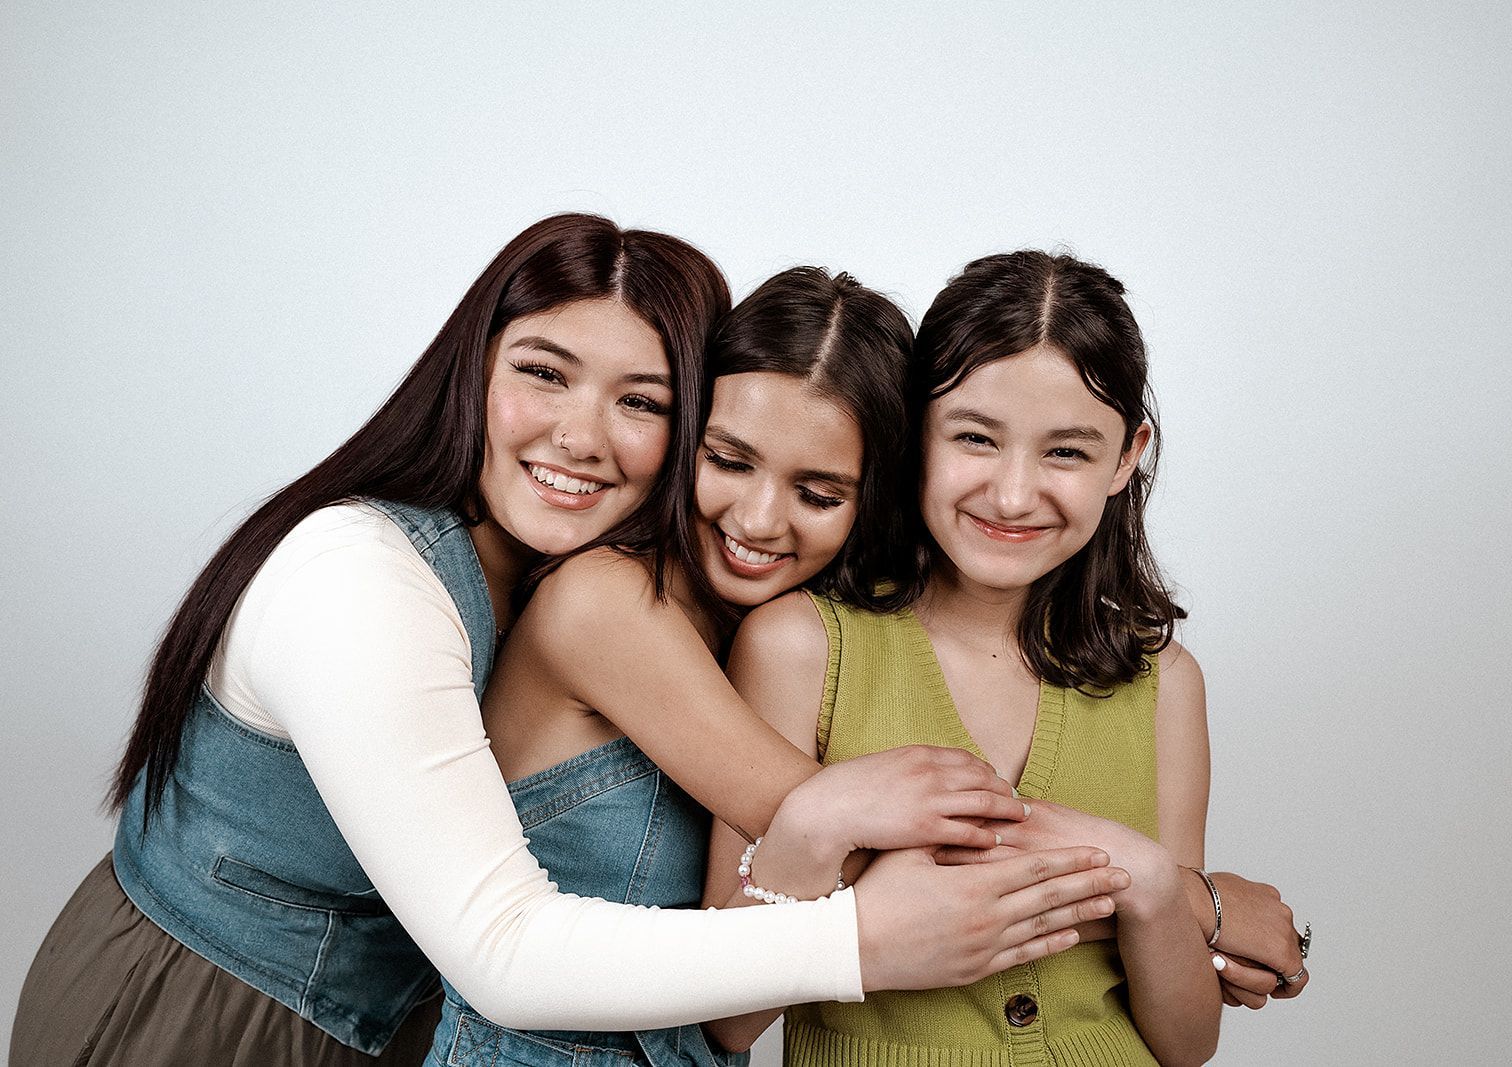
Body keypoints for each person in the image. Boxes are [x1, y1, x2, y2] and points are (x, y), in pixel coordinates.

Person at [10, 219, 1108, 1067]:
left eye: (641, 401)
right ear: (474, 368)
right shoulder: (366, 577)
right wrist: (1144, 891)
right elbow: (508, 949)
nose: (581, 436)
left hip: (386, 1029)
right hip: (199, 1007)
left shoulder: (640, 583)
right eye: (543, 371)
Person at [428, 266, 1124, 1067]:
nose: (758, 520)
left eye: (819, 495)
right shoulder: (602, 603)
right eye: (729, 460)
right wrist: (1177, 897)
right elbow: (865, 847)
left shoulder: (780, 628)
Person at [703, 249, 1309, 1066]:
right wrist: (818, 825)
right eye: (975, 438)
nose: (1014, 494)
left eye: (1067, 452)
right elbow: (727, 1018)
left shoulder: (1164, 682)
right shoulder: (800, 646)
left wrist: (1154, 882)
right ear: (916, 433)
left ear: (1126, 456)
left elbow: (1187, 1041)